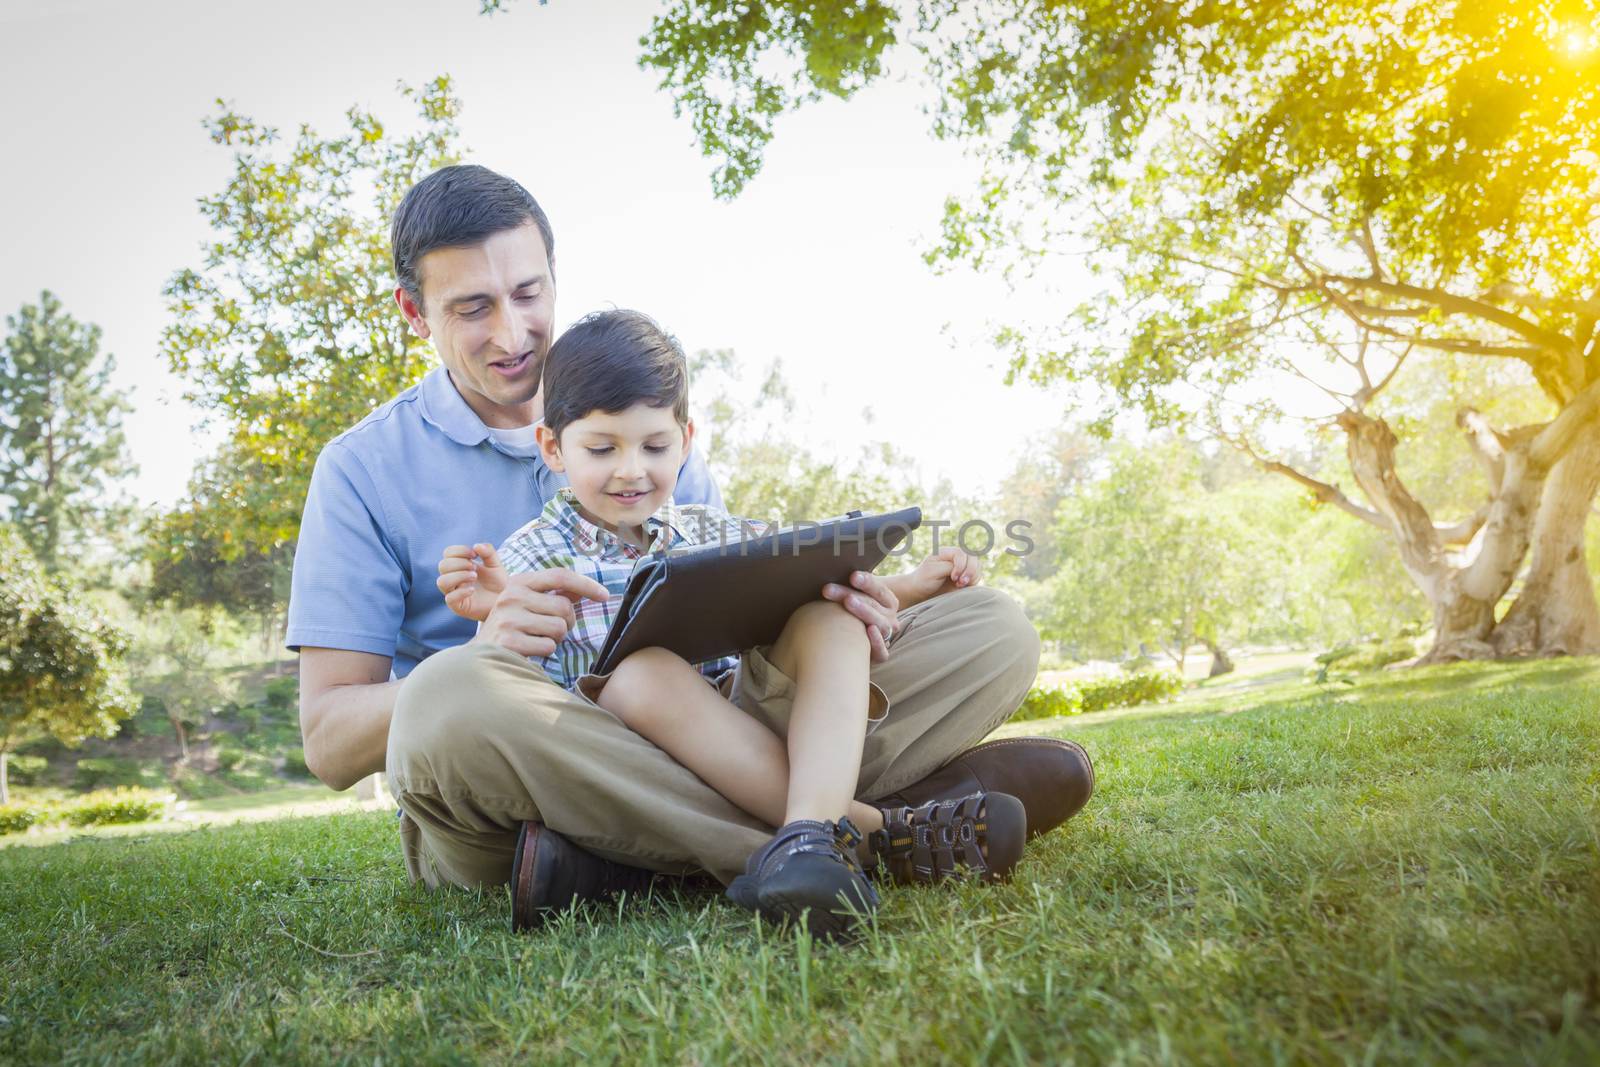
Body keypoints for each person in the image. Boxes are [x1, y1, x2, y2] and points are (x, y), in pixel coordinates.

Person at [286, 163, 1095, 927]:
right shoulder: (361, 469)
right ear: (414, 312)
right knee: (447, 693)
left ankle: (631, 867)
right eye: (471, 308)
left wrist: (858, 594)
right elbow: (328, 743)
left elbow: (733, 618)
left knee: (991, 626)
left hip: (701, 730)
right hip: (529, 774)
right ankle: (879, 832)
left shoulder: (641, 419)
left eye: (529, 292)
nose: (514, 330)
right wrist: (488, 647)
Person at [436, 309, 1028, 938]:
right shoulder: (528, 559)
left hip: (747, 728)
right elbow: (505, 711)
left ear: (685, 440)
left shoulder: (714, 532)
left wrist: (903, 590)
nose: (632, 470)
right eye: (602, 448)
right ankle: (877, 832)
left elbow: (810, 588)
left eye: (655, 447)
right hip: (635, 770)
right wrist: (491, 626)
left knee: (839, 614)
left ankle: (800, 841)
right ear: (553, 447)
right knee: (641, 676)